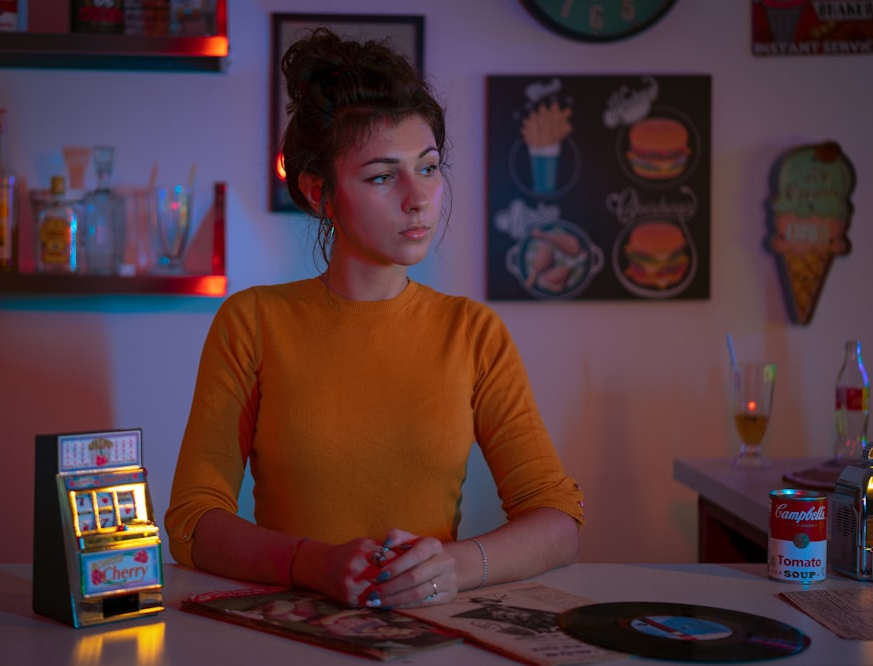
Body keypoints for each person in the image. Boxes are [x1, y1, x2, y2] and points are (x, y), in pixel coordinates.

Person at [165, 27, 585, 611]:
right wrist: (311, 562)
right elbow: (192, 522)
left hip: (430, 634)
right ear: (319, 193)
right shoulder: (254, 321)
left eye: (430, 167)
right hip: (289, 633)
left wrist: (455, 565)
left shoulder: (472, 333)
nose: (419, 198)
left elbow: (558, 520)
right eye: (383, 176)